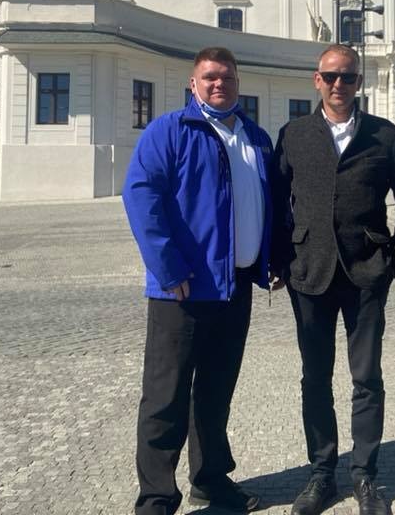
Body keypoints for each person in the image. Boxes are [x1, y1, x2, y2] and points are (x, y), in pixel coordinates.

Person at [122, 47, 274, 515]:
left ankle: (210, 480)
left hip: (235, 287)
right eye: (209, 77)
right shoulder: (170, 130)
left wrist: (270, 259)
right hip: (182, 290)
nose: (218, 84)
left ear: (238, 82)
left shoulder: (256, 138)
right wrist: (168, 269)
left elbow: (268, 205)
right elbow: (140, 196)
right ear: (193, 84)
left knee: (215, 392)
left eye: (226, 76)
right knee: (165, 395)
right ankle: (157, 496)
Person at [272, 44, 395, 515]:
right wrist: (281, 259)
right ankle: (321, 474)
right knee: (314, 377)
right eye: (331, 76)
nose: (339, 84)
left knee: (367, 378)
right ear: (317, 80)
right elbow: (275, 202)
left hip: (366, 272)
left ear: (360, 81)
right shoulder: (293, 135)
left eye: (348, 77)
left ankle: (365, 476)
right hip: (309, 272)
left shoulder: (385, 136)